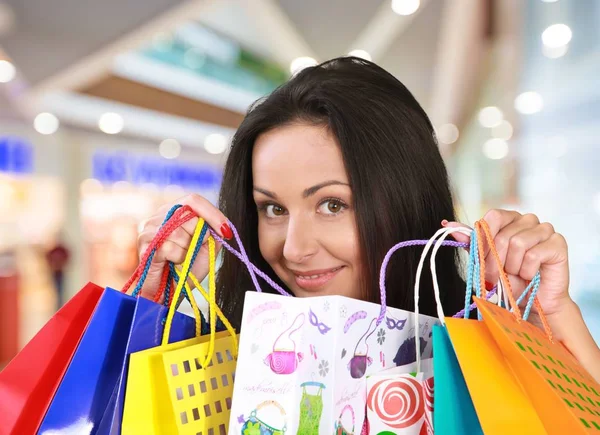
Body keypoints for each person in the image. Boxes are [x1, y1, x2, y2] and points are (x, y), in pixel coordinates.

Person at [136, 57, 600, 381]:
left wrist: (552, 315)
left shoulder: (480, 353)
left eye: (332, 204)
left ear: (404, 200)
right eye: (273, 209)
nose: (294, 249)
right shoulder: (229, 357)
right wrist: (152, 305)